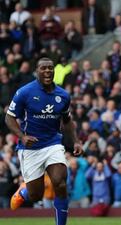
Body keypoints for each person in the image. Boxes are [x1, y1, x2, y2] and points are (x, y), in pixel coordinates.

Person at [5, 58, 83, 225]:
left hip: (53, 143)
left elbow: (67, 121)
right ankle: (24, 191)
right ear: (37, 71)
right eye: (43, 68)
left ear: (54, 71)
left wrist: (76, 141)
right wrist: (22, 136)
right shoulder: (24, 92)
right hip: (31, 148)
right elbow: (9, 118)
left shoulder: (63, 95)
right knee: (36, 195)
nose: (47, 71)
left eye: (50, 68)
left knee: (60, 183)